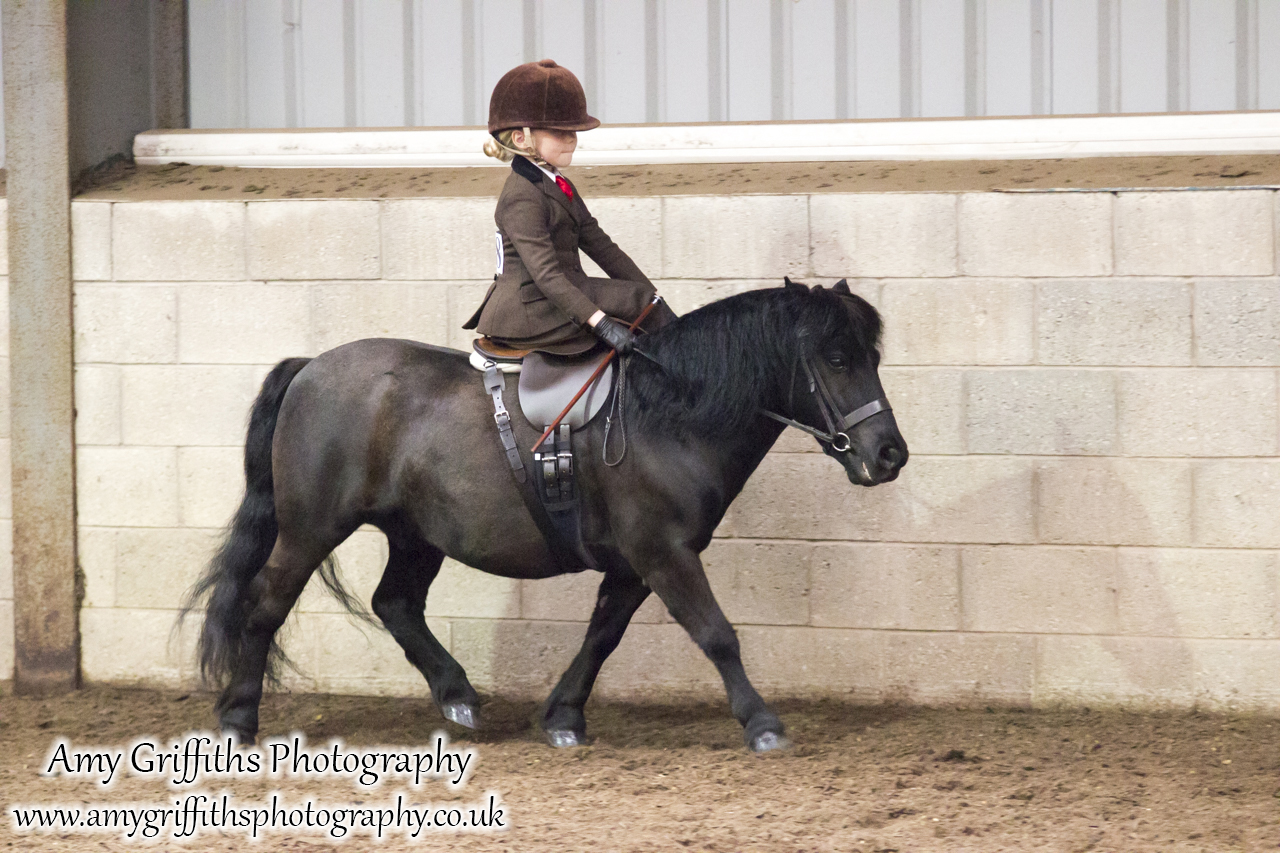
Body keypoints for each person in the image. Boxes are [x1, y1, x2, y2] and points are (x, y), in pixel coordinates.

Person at [462, 59, 675, 356]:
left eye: (573, 132)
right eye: (559, 133)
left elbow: (602, 246)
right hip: (529, 310)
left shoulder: (556, 182)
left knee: (640, 300)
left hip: (558, 293)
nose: (571, 141)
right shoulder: (521, 196)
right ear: (522, 138)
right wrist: (601, 323)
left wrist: (654, 299)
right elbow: (546, 275)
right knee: (635, 302)